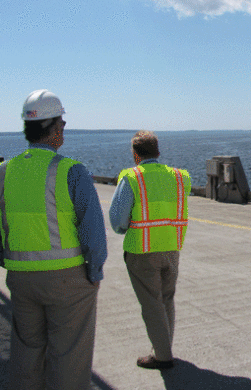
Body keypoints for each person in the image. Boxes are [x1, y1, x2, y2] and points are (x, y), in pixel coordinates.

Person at [0, 89, 108, 390]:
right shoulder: (71, 171)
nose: (63, 128)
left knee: (26, 351)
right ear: (53, 128)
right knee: (68, 355)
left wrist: (8, 261)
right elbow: (93, 233)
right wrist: (95, 272)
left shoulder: (1, 173)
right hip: (68, 280)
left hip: (22, 278)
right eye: (61, 123)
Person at [109, 131, 191, 370]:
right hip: (172, 248)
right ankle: (163, 347)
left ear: (136, 154)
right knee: (167, 299)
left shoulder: (132, 177)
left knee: (151, 304)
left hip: (142, 250)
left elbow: (117, 221)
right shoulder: (179, 177)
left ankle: (163, 356)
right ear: (158, 151)